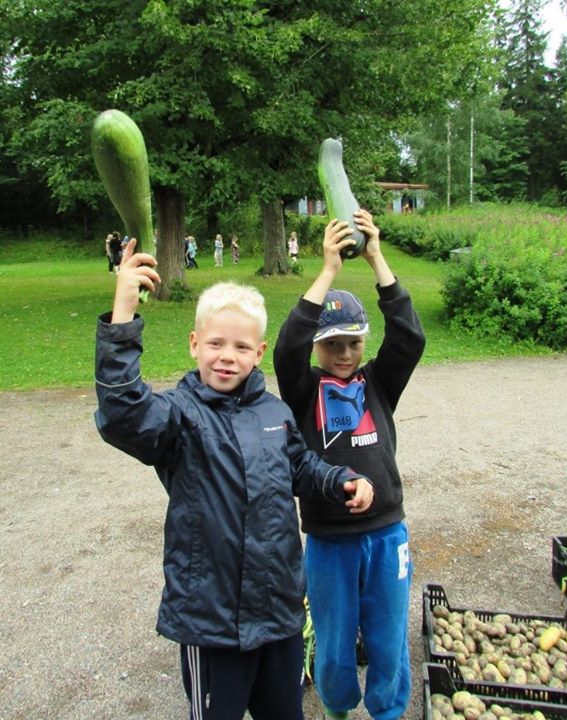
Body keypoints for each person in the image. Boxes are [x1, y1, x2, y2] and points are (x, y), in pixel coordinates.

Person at [94, 239, 374, 720]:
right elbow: (123, 414)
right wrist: (123, 311)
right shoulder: (177, 415)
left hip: (280, 612)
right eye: (216, 344)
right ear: (194, 343)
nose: (227, 356)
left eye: (241, 346)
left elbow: (301, 466)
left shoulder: (274, 411)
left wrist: (340, 478)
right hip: (212, 622)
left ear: (259, 352)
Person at [273, 209, 426, 720]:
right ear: (319, 345)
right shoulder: (303, 389)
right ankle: (338, 708)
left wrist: (377, 255)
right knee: (335, 643)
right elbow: (287, 347)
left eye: (353, 342)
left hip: (387, 533)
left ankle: (387, 711)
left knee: (387, 634)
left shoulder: (378, 382)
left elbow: (409, 336)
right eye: (333, 343)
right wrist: (328, 271)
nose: (344, 353)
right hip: (328, 537)